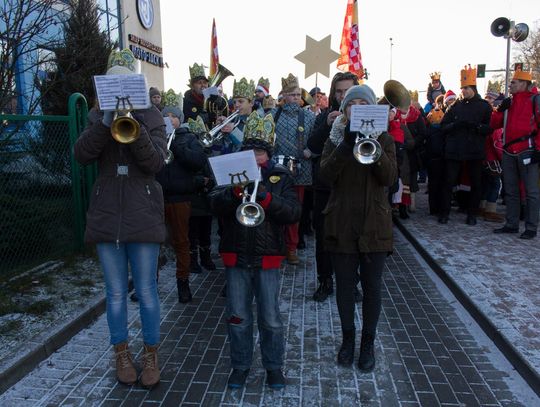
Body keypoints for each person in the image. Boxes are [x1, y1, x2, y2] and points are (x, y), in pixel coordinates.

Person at [73, 49, 166, 388]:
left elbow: (156, 163)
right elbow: (82, 154)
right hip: (108, 212)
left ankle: (151, 355)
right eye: (113, 83)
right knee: (114, 293)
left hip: (143, 212)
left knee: (147, 291)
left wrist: (136, 127)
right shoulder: (97, 115)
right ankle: (121, 354)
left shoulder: (152, 115)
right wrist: (105, 120)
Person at [208, 111, 301, 389]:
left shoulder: (280, 176)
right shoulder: (231, 171)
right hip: (235, 253)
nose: (254, 157)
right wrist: (233, 193)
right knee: (238, 316)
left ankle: (274, 367)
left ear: (267, 153)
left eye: (259, 152)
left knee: (270, 318)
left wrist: (267, 198)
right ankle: (240, 366)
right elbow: (213, 203)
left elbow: (293, 212)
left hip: (268, 255)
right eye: (249, 151)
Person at [319, 84, 397, 371]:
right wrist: (345, 145)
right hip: (341, 222)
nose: (358, 108)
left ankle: (368, 343)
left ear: (373, 109)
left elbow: (389, 178)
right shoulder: (334, 138)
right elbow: (325, 176)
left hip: (375, 224)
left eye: (364, 104)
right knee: (345, 288)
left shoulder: (385, 138)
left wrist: (374, 148)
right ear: (344, 110)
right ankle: (348, 339)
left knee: (373, 288)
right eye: (352, 104)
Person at [307, 71, 359, 302]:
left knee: (353, 235)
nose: (343, 96)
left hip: (353, 186)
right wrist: (326, 126)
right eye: (339, 91)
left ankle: (352, 282)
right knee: (324, 236)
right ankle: (325, 280)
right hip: (325, 186)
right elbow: (311, 146)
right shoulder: (326, 115)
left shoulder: (364, 114)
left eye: (348, 91)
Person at [156, 97, 207, 303]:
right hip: (157, 197)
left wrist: (176, 147)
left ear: (180, 119)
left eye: (173, 116)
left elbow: (198, 161)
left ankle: (183, 283)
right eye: (165, 116)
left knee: (181, 242)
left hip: (180, 197)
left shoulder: (189, 138)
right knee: (153, 243)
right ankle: (149, 284)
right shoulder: (155, 137)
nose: (169, 119)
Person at [438, 65, 492, 225]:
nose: (463, 91)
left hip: (474, 149)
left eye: (466, 88)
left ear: (473, 88)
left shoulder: (484, 106)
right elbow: (443, 126)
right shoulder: (455, 106)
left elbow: (489, 128)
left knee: (476, 183)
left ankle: (472, 214)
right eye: (462, 88)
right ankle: (444, 213)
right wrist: (455, 125)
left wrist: (477, 127)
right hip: (455, 149)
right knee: (449, 182)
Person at [272, 73, 316, 265]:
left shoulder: (309, 117)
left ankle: (291, 247)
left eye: (298, 94)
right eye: (292, 94)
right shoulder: (272, 115)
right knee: (276, 209)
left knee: (294, 211)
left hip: (301, 171)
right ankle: (276, 246)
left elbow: (316, 140)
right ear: (283, 95)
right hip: (277, 170)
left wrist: (310, 151)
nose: (296, 98)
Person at [492, 69, 540, 239]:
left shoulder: (535, 100)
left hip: (528, 151)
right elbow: (494, 125)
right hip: (508, 151)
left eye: (513, 82)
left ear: (524, 84)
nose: (510, 85)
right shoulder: (509, 102)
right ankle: (511, 224)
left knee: (531, 192)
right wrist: (499, 110)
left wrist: (539, 150)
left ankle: (531, 227)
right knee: (511, 190)